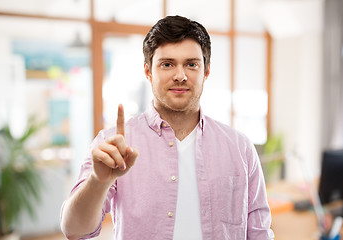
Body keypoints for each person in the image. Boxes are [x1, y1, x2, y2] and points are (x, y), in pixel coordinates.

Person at [60, 15, 275, 240]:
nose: (180, 75)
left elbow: (259, 233)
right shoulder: (112, 144)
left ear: (206, 71)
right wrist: (98, 181)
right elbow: (74, 230)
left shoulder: (240, 147)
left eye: (191, 64)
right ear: (148, 72)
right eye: (167, 64)